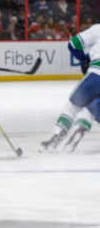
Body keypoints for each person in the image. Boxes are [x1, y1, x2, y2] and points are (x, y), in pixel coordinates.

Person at [40, 23, 100, 152]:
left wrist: (84, 59)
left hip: (96, 74)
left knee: (72, 106)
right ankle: (81, 127)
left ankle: (57, 136)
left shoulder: (98, 29)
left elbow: (73, 44)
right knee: (92, 108)